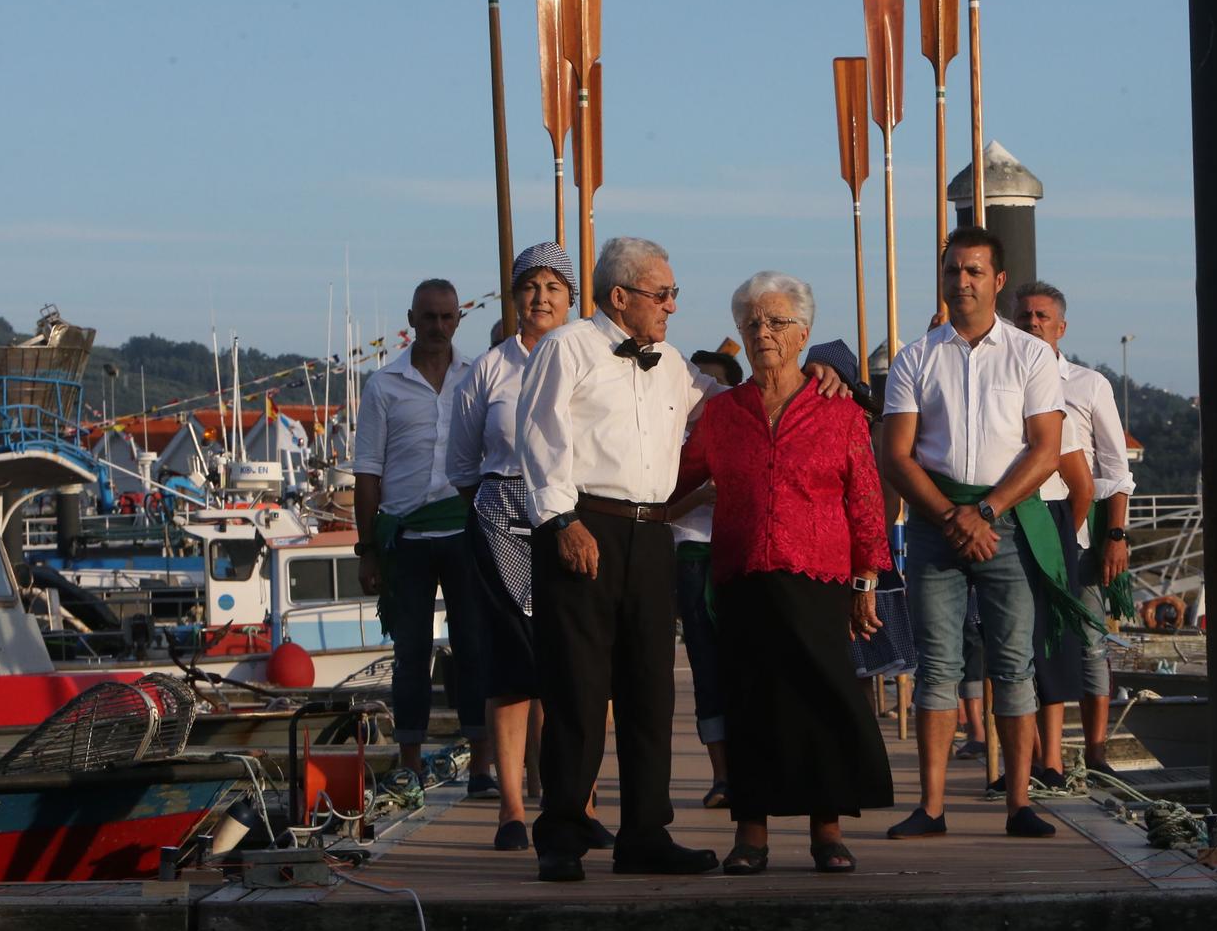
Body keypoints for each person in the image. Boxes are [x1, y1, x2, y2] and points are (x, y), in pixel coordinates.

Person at [514, 236, 848, 881]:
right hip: (583, 526)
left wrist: (817, 378)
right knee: (578, 690)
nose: (672, 305)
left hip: (651, 536)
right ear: (620, 297)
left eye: (673, 294)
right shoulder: (567, 348)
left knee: (650, 691)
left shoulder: (669, 363)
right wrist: (560, 521)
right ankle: (560, 833)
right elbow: (539, 438)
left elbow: (737, 402)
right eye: (661, 293)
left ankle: (644, 833)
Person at [671, 272, 894, 874]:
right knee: (751, 700)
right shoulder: (723, 415)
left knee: (822, 697)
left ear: (803, 334)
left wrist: (866, 580)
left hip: (820, 576)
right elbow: (675, 481)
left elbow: (866, 501)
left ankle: (827, 831)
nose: (762, 332)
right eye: (752, 323)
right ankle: (752, 834)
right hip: (742, 575)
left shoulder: (838, 410)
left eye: (775, 323)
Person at [880, 227, 1065, 840]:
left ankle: (1019, 803)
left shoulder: (1032, 356)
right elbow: (896, 455)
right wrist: (950, 516)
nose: (961, 281)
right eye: (953, 270)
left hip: (1006, 523)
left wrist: (984, 513)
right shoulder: (915, 357)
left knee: (1014, 666)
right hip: (937, 523)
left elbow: (1046, 450)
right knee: (936, 667)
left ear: (998, 280)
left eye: (974, 271)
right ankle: (931, 807)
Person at [446, 242, 583, 852]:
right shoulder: (490, 369)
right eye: (531, 286)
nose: (541, 298)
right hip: (500, 518)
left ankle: (572, 795)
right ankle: (511, 807)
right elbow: (461, 464)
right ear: (514, 297)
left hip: (573, 521)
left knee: (571, 665)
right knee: (512, 672)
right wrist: (506, 501)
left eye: (554, 287)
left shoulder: (589, 361)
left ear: (571, 298)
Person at [353, 278, 490, 793]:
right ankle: (409, 764)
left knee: (473, 648)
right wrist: (367, 550)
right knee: (410, 653)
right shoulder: (383, 385)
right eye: (427, 317)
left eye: (445, 317)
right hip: (405, 536)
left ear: (458, 320)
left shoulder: (477, 378)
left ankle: (481, 766)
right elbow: (367, 472)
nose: (436, 327)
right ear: (411, 320)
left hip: (464, 529)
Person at [1015, 282, 1136, 777]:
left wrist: (1114, 534)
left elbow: (1115, 465)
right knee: (1032, 645)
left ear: (1061, 327)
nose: (1033, 323)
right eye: (1025, 316)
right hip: (1021, 529)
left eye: (1042, 316)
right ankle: (1045, 758)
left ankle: (1096, 750)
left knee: (1088, 641)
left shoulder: (1089, 385)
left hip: (1079, 536)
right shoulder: (1006, 380)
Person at [675, 348, 742, 807]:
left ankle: (755, 770)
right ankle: (722, 776)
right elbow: (658, 506)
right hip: (692, 554)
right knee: (707, 668)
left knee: (751, 666)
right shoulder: (672, 441)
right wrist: (700, 495)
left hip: (743, 554)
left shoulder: (743, 427)